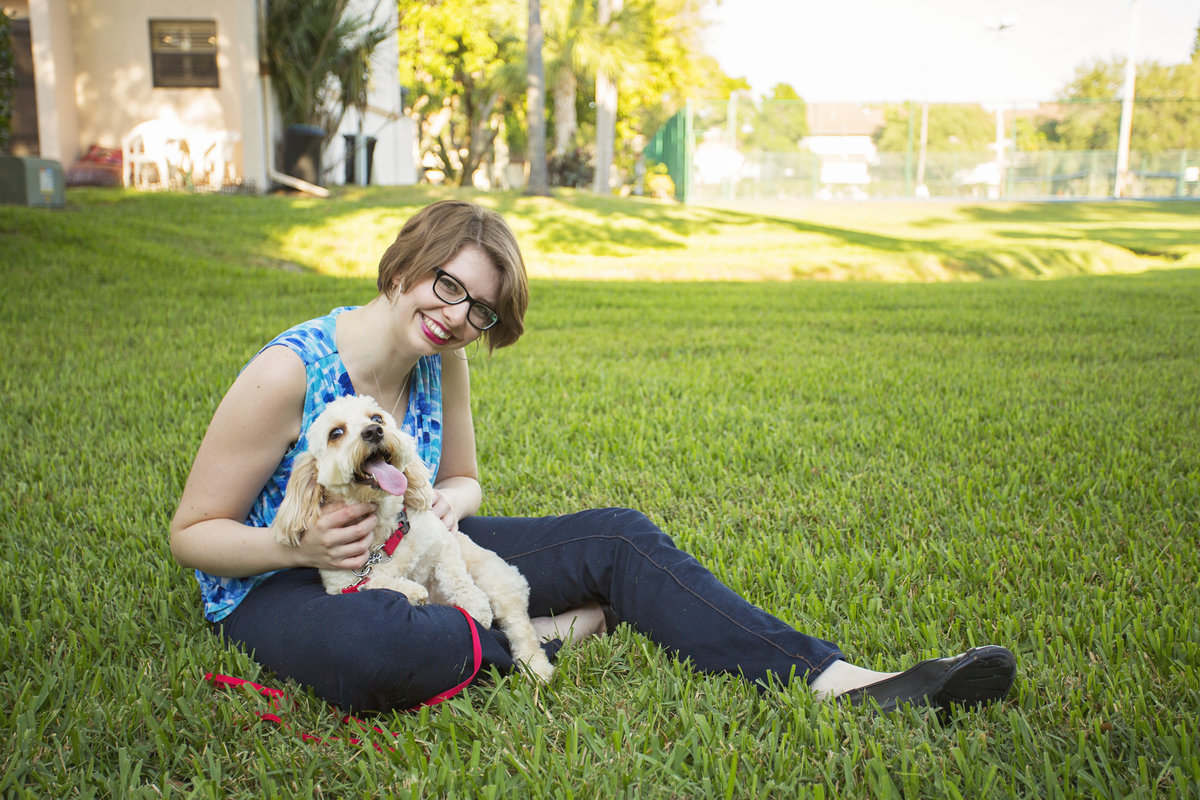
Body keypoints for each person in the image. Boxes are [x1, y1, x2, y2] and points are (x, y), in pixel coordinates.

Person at [171, 200, 1016, 714]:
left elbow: (462, 477)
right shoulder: (289, 371)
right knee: (380, 646)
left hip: (412, 542)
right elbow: (192, 533)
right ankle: (542, 635)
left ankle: (845, 680)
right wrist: (302, 546)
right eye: (449, 286)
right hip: (278, 581)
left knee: (615, 537)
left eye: (482, 311)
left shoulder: (444, 361)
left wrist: (446, 511)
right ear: (404, 267)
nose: (459, 317)